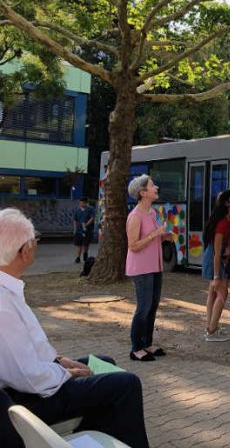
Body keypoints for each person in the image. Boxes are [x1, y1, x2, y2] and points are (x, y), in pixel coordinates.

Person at [0, 208, 149, 448]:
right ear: (25, 250)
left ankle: (95, 435)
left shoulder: (8, 289)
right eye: (35, 240)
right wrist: (67, 374)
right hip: (28, 399)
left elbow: (26, 351)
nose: (37, 245)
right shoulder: (3, 304)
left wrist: (60, 361)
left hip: (29, 385)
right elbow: (29, 377)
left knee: (103, 361)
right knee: (126, 384)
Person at [126, 175, 172, 361]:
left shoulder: (152, 213)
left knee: (152, 306)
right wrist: (155, 234)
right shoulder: (135, 216)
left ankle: (147, 343)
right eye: (152, 186)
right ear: (143, 193)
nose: (156, 187)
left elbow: (152, 238)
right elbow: (133, 245)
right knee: (143, 307)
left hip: (155, 266)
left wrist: (163, 236)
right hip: (141, 268)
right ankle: (136, 348)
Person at [202, 189, 230, 342]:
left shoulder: (229, 220)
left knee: (213, 293)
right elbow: (217, 252)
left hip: (216, 259)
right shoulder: (222, 223)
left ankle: (211, 327)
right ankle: (211, 331)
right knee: (221, 294)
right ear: (226, 203)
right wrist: (217, 275)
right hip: (214, 259)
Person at [72, 197, 95, 263]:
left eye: (83, 203)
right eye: (80, 203)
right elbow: (75, 220)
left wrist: (86, 224)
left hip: (87, 230)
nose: (81, 204)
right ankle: (78, 257)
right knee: (78, 244)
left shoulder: (90, 209)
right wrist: (75, 229)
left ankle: (85, 254)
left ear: (86, 203)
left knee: (85, 244)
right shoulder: (77, 210)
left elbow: (92, 218)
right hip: (79, 230)